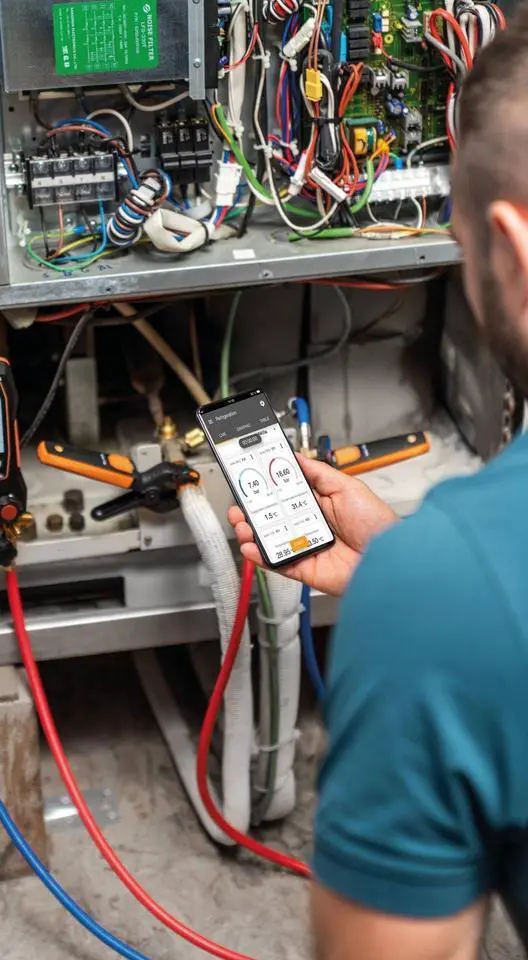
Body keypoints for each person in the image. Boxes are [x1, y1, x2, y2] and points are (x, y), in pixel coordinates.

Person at [229, 14, 528, 959]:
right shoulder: (444, 586)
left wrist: (420, 593)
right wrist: (405, 570)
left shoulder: (438, 600)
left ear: (511, 252)